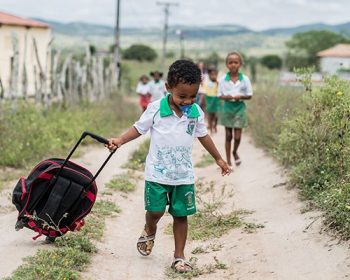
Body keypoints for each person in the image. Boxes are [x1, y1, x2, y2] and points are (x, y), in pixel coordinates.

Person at [106, 60, 231, 273]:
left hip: (183, 176)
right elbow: (139, 128)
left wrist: (218, 158)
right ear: (168, 88)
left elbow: (203, 136)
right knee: (154, 211)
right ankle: (150, 228)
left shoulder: (195, 112)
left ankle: (179, 257)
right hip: (156, 174)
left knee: (181, 216)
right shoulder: (155, 109)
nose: (188, 101)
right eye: (182, 96)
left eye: (193, 96)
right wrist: (120, 140)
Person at [218, 51, 253, 166]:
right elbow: (219, 95)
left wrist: (241, 96)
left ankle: (234, 152)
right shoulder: (223, 79)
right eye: (230, 62)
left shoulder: (245, 79)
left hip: (239, 108)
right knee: (228, 136)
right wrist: (226, 97)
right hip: (228, 107)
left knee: (237, 137)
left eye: (236, 62)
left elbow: (249, 95)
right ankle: (228, 161)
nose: (233, 65)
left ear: (240, 64)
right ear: (227, 64)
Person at [203, 68, 220, 134]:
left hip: (216, 99)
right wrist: (204, 101)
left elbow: (220, 91)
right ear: (209, 75)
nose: (214, 76)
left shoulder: (218, 83)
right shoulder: (206, 83)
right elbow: (204, 92)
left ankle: (215, 126)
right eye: (212, 74)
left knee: (216, 115)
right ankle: (210, 128)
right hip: (209, 99)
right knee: (210, 115)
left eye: (215, 75)